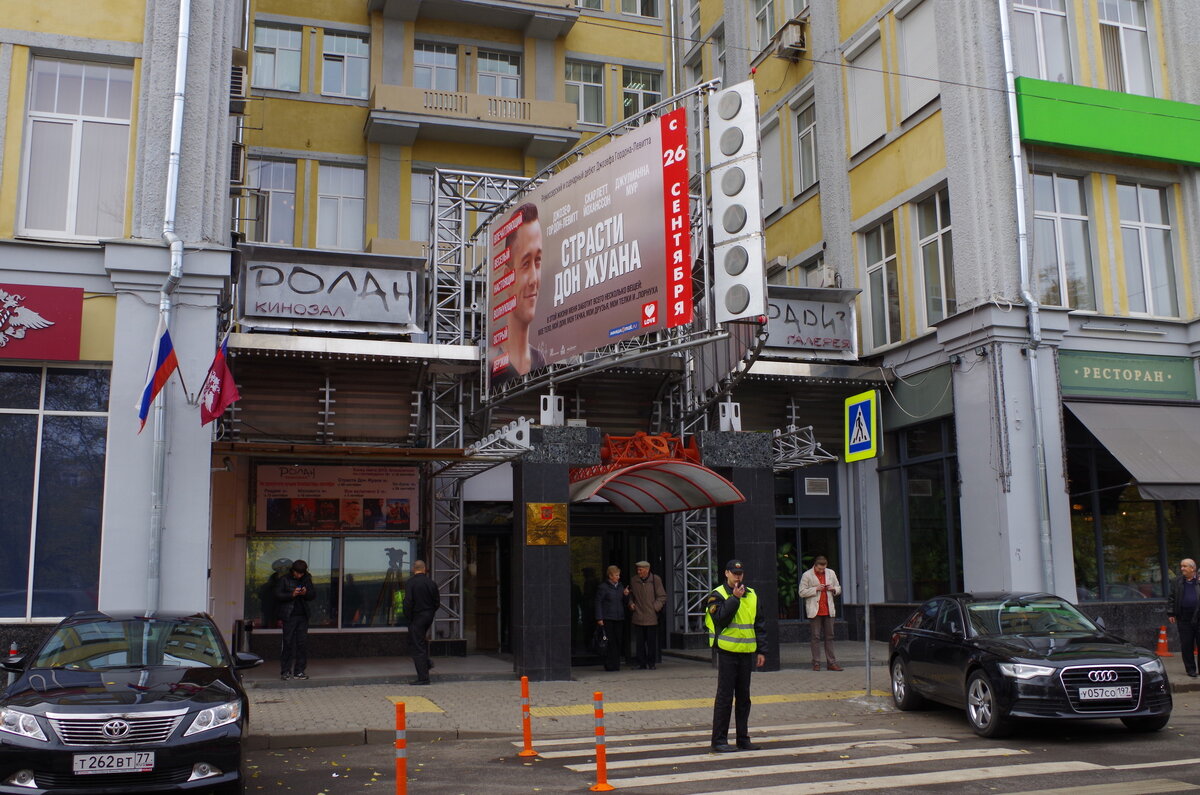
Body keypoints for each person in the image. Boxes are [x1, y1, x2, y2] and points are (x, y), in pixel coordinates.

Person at [705, 559, 767, 752]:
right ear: (726, 574)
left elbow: (759, 624)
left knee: (744, 699)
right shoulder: (717, 595)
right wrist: (734, 598)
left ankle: (743, 739)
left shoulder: (752, 595)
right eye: (734, 573)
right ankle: (719, 741)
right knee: (725, 698)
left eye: (740, 574)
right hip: (727, 653)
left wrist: (762, 650)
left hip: (746, 653)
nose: (737, 577)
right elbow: (720, 618)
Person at [490, 202, 545, 386]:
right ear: (507, 277)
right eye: (525, 263)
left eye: (537, 261)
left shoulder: (541, 361)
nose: (534, 279)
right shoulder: (492, 364)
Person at [798, 555, 843, 671]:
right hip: (815, 611)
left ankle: (831, 663)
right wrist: (816, 589)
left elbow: (838, 588)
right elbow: (801, 592)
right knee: (815, 637)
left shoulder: (831, 573)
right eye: (820, 569)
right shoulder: (807, 575)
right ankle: (816, 663)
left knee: (830, 637)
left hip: (828, 610)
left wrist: (833, 589)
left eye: (824, 569)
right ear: (815, 565)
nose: (822, 571)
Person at [275, 559, 315, 681]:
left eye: (301, 573)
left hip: (303, 615)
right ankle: (285, 671)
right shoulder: (284, 579)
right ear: (293, 570)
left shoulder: (307, 579)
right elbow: (277, 595)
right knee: (288, 643)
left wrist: (305, 593)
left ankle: (299, 671)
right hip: (289, 615)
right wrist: (291, 595)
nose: (299, 575)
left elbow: (313, 595)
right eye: (297, 573)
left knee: (302, 643)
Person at [404, 560, 440, 685]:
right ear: (424, 569)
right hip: (428, 616)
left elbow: (408, 602)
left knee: (417, 646)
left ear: (414, 569)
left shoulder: (410, 583)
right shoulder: (431, 583)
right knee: (420, 641)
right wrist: (430, 612)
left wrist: (408, 617)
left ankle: (423, 678)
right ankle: (426, 663)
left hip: (417, 617)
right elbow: (437, 602)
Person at [628, 560, 667, 669]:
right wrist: (631, 603)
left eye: (640, 570)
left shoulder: (655, 579)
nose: (638, 572)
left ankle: (651, 663)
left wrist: (655, 607)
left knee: (651, 642)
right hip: (638, 615)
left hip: (651, 616)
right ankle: (641, 663)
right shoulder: (634, 580)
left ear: (647, 570)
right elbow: (631, 595)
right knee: (640, 642)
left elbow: (662, 596)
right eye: (638, 570)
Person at [1168, 558, 1200, 677]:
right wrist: (1171, 613)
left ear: (1193, 568)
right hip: (1184, 618)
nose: (1182, 568)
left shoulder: (1199, 580)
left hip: (1199, 617)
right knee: (1186, 645)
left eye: (1185, 566)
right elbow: (1171, 598)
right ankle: (1190, 670)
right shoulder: (1177, 581)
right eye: (1181, 566)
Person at [595, 565, 628, 672]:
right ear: (610, 576)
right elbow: (598, 603)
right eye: (616, 575)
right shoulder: (603, 587)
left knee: (618, 641)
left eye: (619, 575)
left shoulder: (621, 587)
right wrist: (599, 618)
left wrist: (626, 595)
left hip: (619, 618)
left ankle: (616, 664)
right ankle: (609, 664)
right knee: (610, 641)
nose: (618, 577)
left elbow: (624, 602)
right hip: (608, 618)